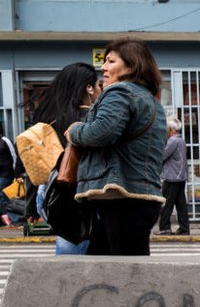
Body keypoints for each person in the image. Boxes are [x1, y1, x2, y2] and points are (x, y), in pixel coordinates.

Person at [66, 40, 166, 256]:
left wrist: (74, 131)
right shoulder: (150, 99)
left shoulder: (120, 92)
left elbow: (102, 132)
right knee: (116, 270)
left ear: (131, 67)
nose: (103, 67)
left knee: (123, 275)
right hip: (137, 197)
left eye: (111, 61)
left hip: (120, 198)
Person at [29, 63, 100, 254]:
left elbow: (35, 163)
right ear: (89, 88)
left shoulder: (49, 118)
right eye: (98, 85)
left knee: (69, 252)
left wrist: (30, 206)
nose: (101, 89)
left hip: (49, 189)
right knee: (82, 254)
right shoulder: (92, 120)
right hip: (79, 188)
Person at [157, 115, 190, 236]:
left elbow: (162, 155)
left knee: (167, 204)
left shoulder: (172, 141)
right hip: (180, 177)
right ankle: (184, 228)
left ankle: (165, 227)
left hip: (172, 177)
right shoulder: (180, 140)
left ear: (171, 129)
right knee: (181, 204)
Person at [0, 124, 17, 226]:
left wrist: (16, 173)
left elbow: (13, 155)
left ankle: (11, 218)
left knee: (3, 195)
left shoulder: (5, 141)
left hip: (6, 174)